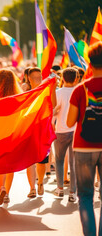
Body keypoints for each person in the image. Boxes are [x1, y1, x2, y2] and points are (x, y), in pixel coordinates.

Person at [67, 42, 102, 236]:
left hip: (83, 147)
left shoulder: (81, 90)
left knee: (86, 196)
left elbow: (70, 121)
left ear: (89, 62)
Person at [0, 69, 23, 205]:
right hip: (11, 131)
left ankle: (1, 187)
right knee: (10, 163)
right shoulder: (17, 95)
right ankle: (7, 192)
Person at [26, 67, 57, 199]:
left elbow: (54, 105)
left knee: (41, 160)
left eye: (40, 77)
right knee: (29, 160)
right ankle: (32, 188)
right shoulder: (25, 91)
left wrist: (54, 89)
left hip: (42, 129)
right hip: (28, 129)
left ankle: (40, 182)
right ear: (29, 79)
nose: (39, 79)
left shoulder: (46, 90)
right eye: (36, 77)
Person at [53, 67, 78, 202]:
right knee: (74, 163)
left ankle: (60, 188)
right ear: (76, 78)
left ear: (62, 78)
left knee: (59, 160)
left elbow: (54, 112)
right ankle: (73, 192)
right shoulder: (79, 91)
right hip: (75, 131)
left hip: (61, 130)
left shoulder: (59, 92)